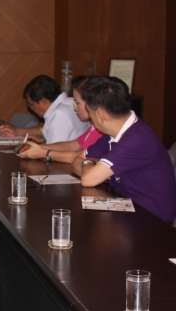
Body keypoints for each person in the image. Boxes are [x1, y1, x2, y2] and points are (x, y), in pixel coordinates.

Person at [72, 76, 176, 223]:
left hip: (153, 221)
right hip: (124, 205)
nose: (90, 118)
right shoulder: (112, 133)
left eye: (90, 112)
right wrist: (89, 165)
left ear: (100, 115)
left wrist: (88, 162)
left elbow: (88, 179)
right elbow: (77, 160)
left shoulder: (138, 138)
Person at [19, 76, 102, 163]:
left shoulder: (101, 131)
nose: (75, 108)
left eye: (77, 103)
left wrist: (42, 152)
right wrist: (38, 147)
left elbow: (81, 156)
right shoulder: (94, 127)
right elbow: (70, 146)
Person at [0, 75, 89, 144]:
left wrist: (38, 143)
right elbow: (45, 129)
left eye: (31, 105)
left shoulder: (60, 114)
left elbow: (51, 152)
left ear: (44, 102)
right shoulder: (69, 102)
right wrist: (16, 131)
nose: (32, 109)